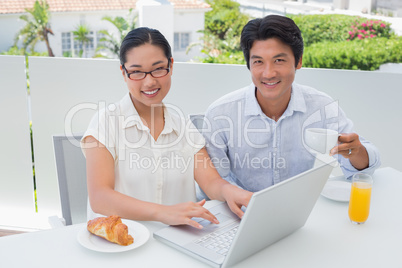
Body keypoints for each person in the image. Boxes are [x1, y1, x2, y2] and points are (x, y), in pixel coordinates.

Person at [81, 27, 252, 229]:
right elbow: (100, 198)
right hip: (123, 247)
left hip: (178, 243)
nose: (150, 81)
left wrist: (231, 192)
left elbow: (211, 182)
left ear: (171, 65)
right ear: (124, 73)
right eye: (136, 72)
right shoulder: (105, 122)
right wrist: (164, 213)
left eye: (158, 68)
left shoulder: (182, 125)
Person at [201, 15, 381, 193]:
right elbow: (213, 181)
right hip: (241, 213)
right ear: (248, 64)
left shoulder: (322, 107)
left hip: (301, 213)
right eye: (258, 62)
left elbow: (366, 168)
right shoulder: (220, 114)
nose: (268, 73)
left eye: (279, 60)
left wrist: (356, 152)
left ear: (299, 61)